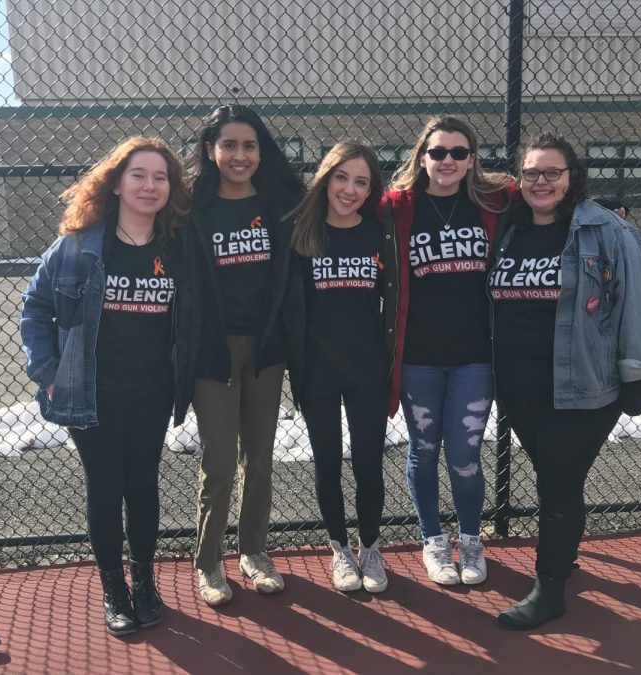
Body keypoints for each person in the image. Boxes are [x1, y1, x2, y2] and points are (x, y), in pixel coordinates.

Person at [19, 137, 198, 636]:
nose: (149, 185)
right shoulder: (78, 246)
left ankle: (144, 581)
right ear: (116, 183)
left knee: (142, 485)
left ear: (170, 188)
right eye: (138, 175)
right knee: (105, 487)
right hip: (88, 392)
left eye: (160, 177)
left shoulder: (177, 248)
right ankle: (113, 588)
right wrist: (49, 375)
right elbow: (34, 310)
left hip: (152, 392)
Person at [490, 132, 641, 630]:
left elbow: (638, 302)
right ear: (518, 179)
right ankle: (563, 559)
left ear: (572, 177)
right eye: (531, 173)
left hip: (583, 385)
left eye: (552, 172)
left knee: (559, 482)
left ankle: (550, 587)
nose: (540, 181)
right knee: (556, 477)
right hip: (518, 386)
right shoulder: (507, 228)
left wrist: (638, 372)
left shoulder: (606, 230)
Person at [381, 116, 512, 586]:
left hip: (475, 357)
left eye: (459, 152)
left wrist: (609, 208)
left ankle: (472, 539)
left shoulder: (494, 204)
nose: (448, 161)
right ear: (422, 157)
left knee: (465, 455)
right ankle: (434, 541)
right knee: (424, 450)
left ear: (472, 160)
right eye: (438, 152)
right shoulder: (398, 208)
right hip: (418, 357)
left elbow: (548, 190)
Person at [184, 105, 305, 606]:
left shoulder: (280, 203)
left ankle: (253, 550)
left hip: (264, 349)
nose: (239, 155)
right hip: (212, 350)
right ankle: (208, 561)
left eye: (249, 145)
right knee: (218, 460)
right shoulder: (193, 207)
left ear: (261, 151)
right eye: (229, 145)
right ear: (211, 151)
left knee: (258, 458)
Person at [287, 141, 397, 593]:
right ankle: (339, 550)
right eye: (341, 177)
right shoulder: (302, 234)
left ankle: (370, 547)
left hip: (367, 367)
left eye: (361, 182)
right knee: (327, 461)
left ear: (371, 189)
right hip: (317, 372)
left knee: (369, 462)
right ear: (326, 178)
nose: (349, 189)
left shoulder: (378, 233)